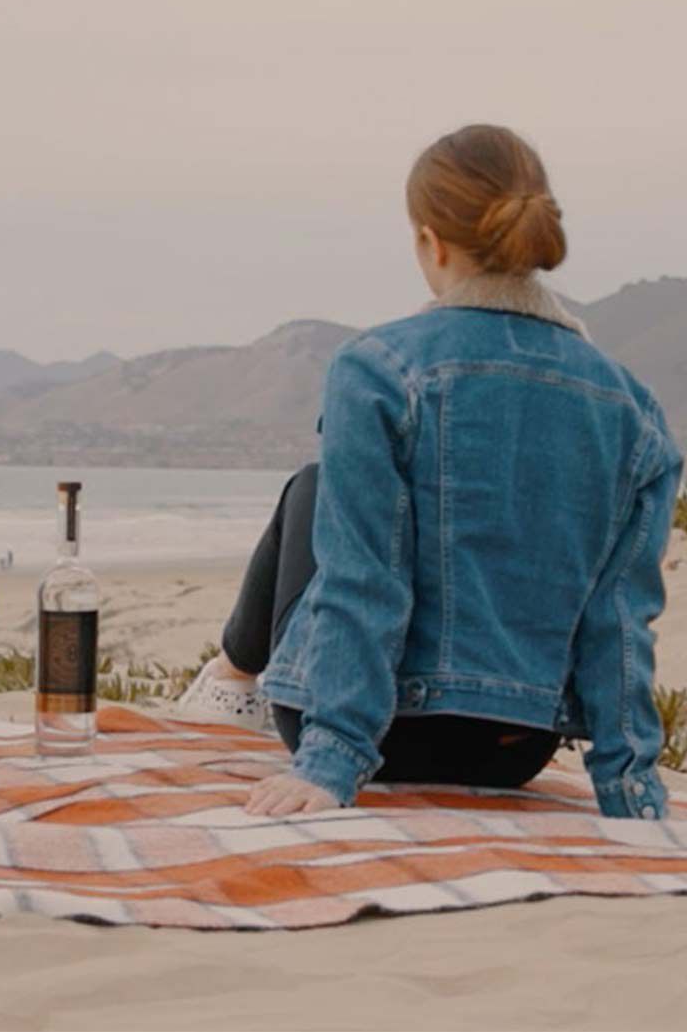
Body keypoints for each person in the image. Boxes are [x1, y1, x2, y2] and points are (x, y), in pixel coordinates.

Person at [177, 123, 684, 820]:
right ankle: (233, 681)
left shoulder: (377, 368)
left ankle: (231, 681)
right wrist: (631, 792)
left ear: (430, 240)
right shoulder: (637, 409)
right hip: (513, 747)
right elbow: (620, 621)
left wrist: (330, 763)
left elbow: (365, 579)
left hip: (379, 738)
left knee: (313, 486)